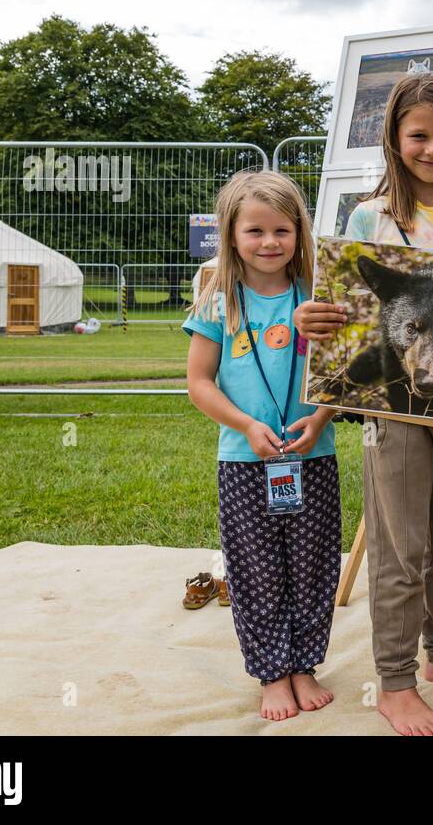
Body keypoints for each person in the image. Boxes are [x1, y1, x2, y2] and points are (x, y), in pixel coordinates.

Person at [295, 73, 433, 736]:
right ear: (394, 139)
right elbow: (341, 310)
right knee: (399, 543)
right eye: (418, 135)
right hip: (393, 412)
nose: (432, 148)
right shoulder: (371, 217)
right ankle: (394, 679)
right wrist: (317, 316)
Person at [184, 170, 340, 721]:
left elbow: (347, 368)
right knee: (256, 570)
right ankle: (271, 672)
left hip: (312, 457)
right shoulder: (217, 301)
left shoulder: (320, 297)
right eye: (255, 231)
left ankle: (304, 665)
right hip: (245, 462)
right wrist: (247, 425)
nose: (270, 242)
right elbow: (199, 383)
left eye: (282, 230)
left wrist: (321, 418)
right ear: (231, 235)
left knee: (314, 565)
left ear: (300, 233)